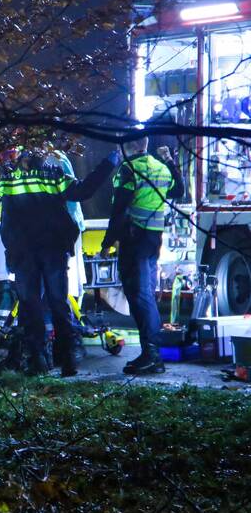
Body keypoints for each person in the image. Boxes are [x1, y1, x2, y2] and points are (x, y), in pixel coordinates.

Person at [0, 147, 119, 376]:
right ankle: (67, 360)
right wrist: (109, 162)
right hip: (53, 248)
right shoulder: (52, 174)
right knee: (58, 302)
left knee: (30, 304)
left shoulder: (5, 176)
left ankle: (37, 360)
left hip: (22, 250)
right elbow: (83, 191)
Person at [100, 138, 184, 375]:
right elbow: (179, 190)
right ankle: (152, 353)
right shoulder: (160, 167)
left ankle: (152, 355)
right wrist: (170, 160)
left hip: (134, 238)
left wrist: (107, 243)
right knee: (145, 293)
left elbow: (119, 209)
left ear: (129, 147)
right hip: (152, 239)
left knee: (140, 296)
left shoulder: (129, 169)